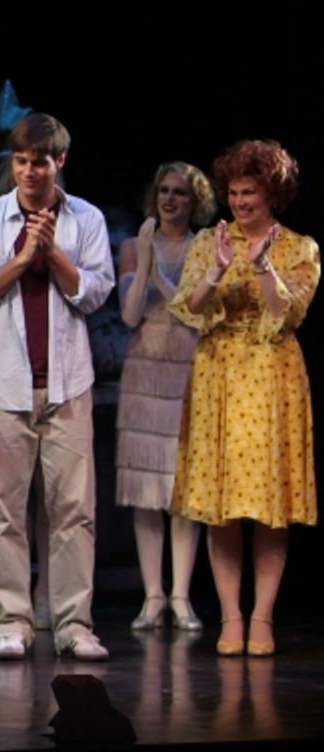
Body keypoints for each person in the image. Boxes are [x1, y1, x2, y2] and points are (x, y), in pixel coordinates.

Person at [0, 113, 114, 661]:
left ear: (59, 162)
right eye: (20, 161)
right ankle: (13, 623)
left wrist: (54, 256)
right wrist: (23, 258)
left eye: (39, 162)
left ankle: (73, 624)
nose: (28, 171)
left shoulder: (85, 219)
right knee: (6, 511)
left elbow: (94, 294)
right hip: (3, 384)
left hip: (68, 383)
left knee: (73, 509)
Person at [169, 139, 318, 657]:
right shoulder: (211, 242)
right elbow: (188, 305)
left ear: (272, 193)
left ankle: (263, 618)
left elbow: (288, 313)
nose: (239, 202)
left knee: (269, 504)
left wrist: (259, 265)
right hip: (220, 374)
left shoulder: (300, 248)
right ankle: (231, 617)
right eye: (233, 193)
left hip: (272, 373)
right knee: (222, 504)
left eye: (249, 192)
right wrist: (217, 267)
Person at [116, 162, 216, 631]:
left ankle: (181, 595)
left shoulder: (205, 247)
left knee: (181, 490)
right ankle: (153, 595)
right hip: (144, 371)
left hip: (188, 370)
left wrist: (159, 276)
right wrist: (144, 258)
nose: (170, 199)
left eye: (179, 193)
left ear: (194, 201)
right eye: (163, 191)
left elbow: (196, 316)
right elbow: (131, 315)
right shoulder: (134, 247)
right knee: (145, 490)